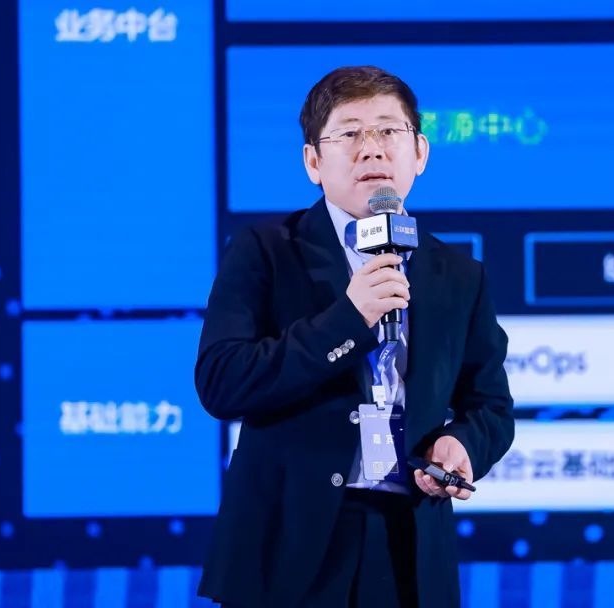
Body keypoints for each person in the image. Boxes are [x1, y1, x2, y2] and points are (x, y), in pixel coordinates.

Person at [194, 65, 514, 608]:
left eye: (389, 130)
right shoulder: (266, 251)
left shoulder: (458, 275)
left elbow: (490, 406)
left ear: (420, 153)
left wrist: (461, 444)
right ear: (313, 162)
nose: (372, 149)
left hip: (409, 545)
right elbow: (222, 382)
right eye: (349, 133)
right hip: (289, 546)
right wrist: (347, 320)